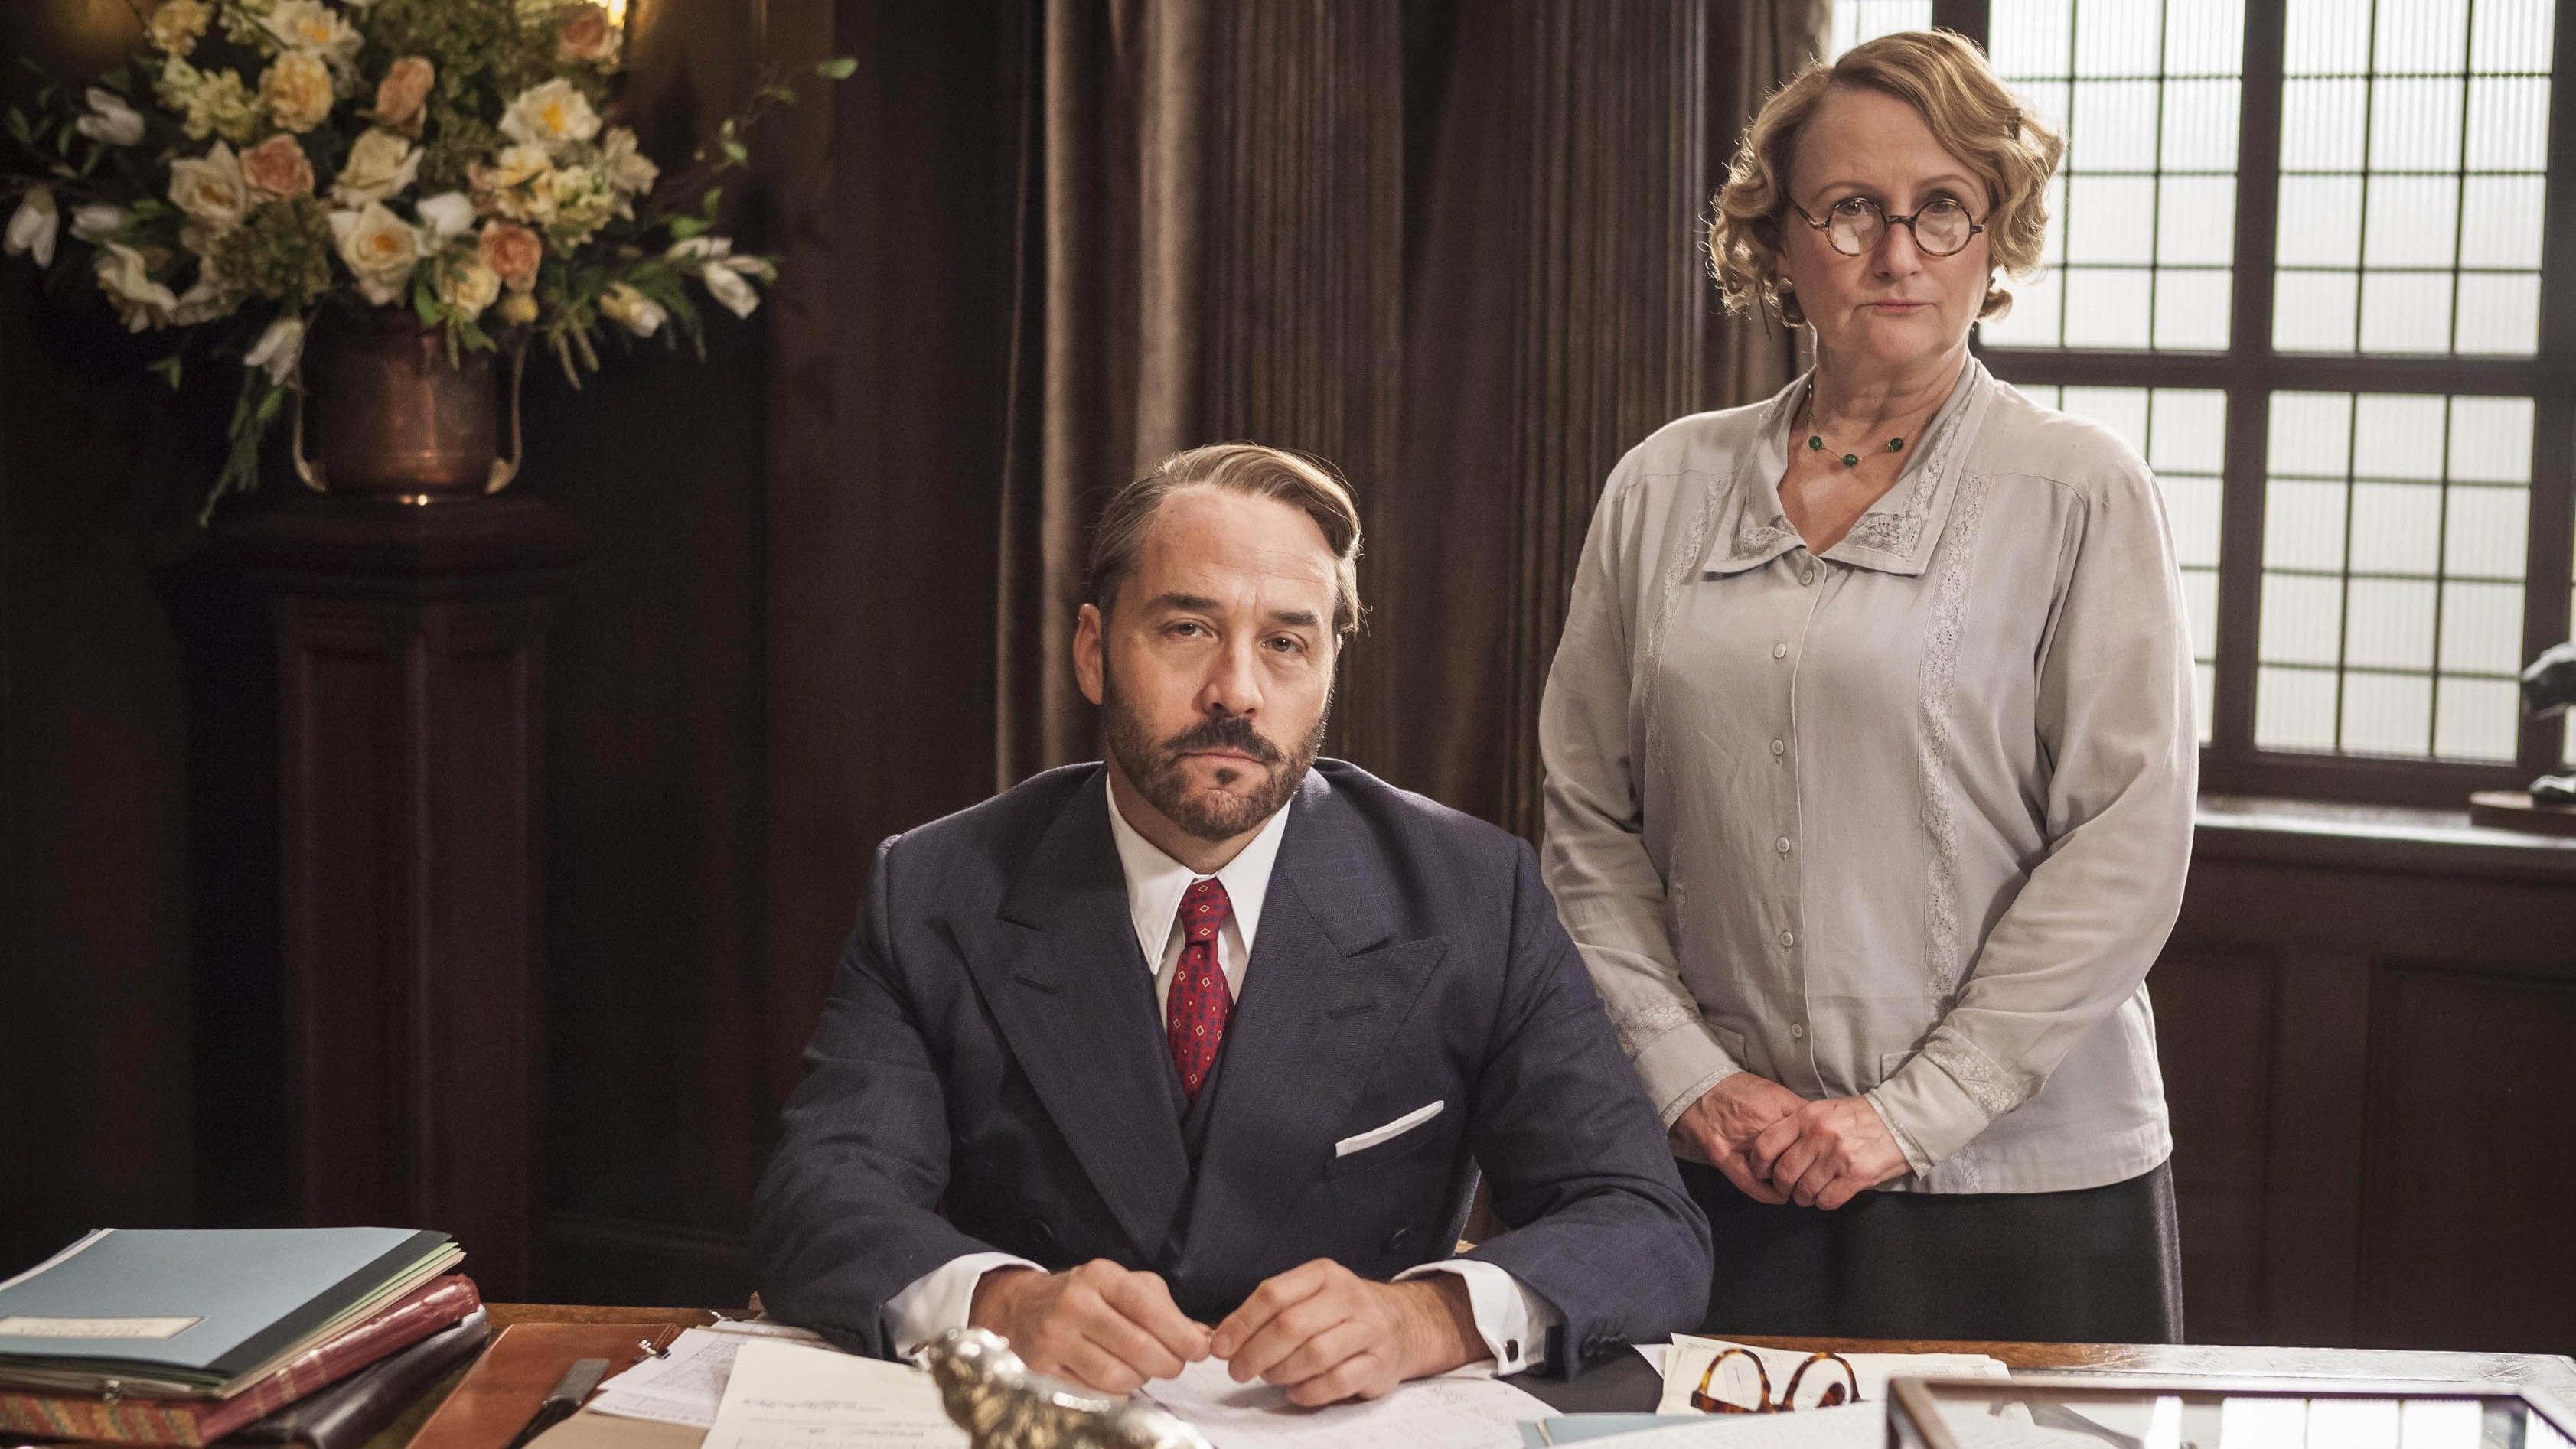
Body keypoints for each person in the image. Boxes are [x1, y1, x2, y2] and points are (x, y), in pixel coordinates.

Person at [755, 443, 1709, 1402]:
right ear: (1093, 649)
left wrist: (1424, 1318)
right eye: (1188, 628)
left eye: (1287, 643)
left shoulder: (1471, 893)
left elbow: (1643, 1222)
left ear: (1329, 668)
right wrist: (1003, 1306)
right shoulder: (936, 888)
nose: (1236, 691)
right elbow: (821, 1200)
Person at [1539, 29, 2194, 1343]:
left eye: (1941, 208)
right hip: (1716, 1169)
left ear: (1992, 239)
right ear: (1777, 242)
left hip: (2020, 1188)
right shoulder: (1658, 487)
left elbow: (2122, 844)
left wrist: (1907, 1114)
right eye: (1849, 209)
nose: (1897, 252)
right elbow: (1586, 822)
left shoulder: (2080, 488)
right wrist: (1689, 1078)